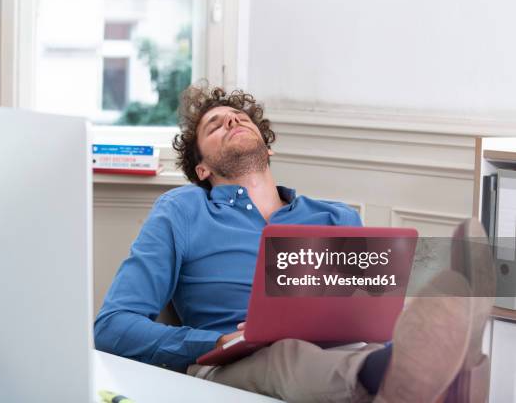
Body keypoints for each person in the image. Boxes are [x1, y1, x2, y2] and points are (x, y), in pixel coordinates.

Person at [94, 82, 494, 402]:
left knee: (401, 318)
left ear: (267, 147)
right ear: (202, 168)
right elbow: (112, 326)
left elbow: (371, 315)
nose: (232, 122)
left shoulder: (336, 217)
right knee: (285, 353)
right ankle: (398, 372)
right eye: (215, 125)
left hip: (343, 351)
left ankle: (430, 356)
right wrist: (217, 340)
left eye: (240, 119)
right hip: (235, 363)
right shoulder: (182, 210)